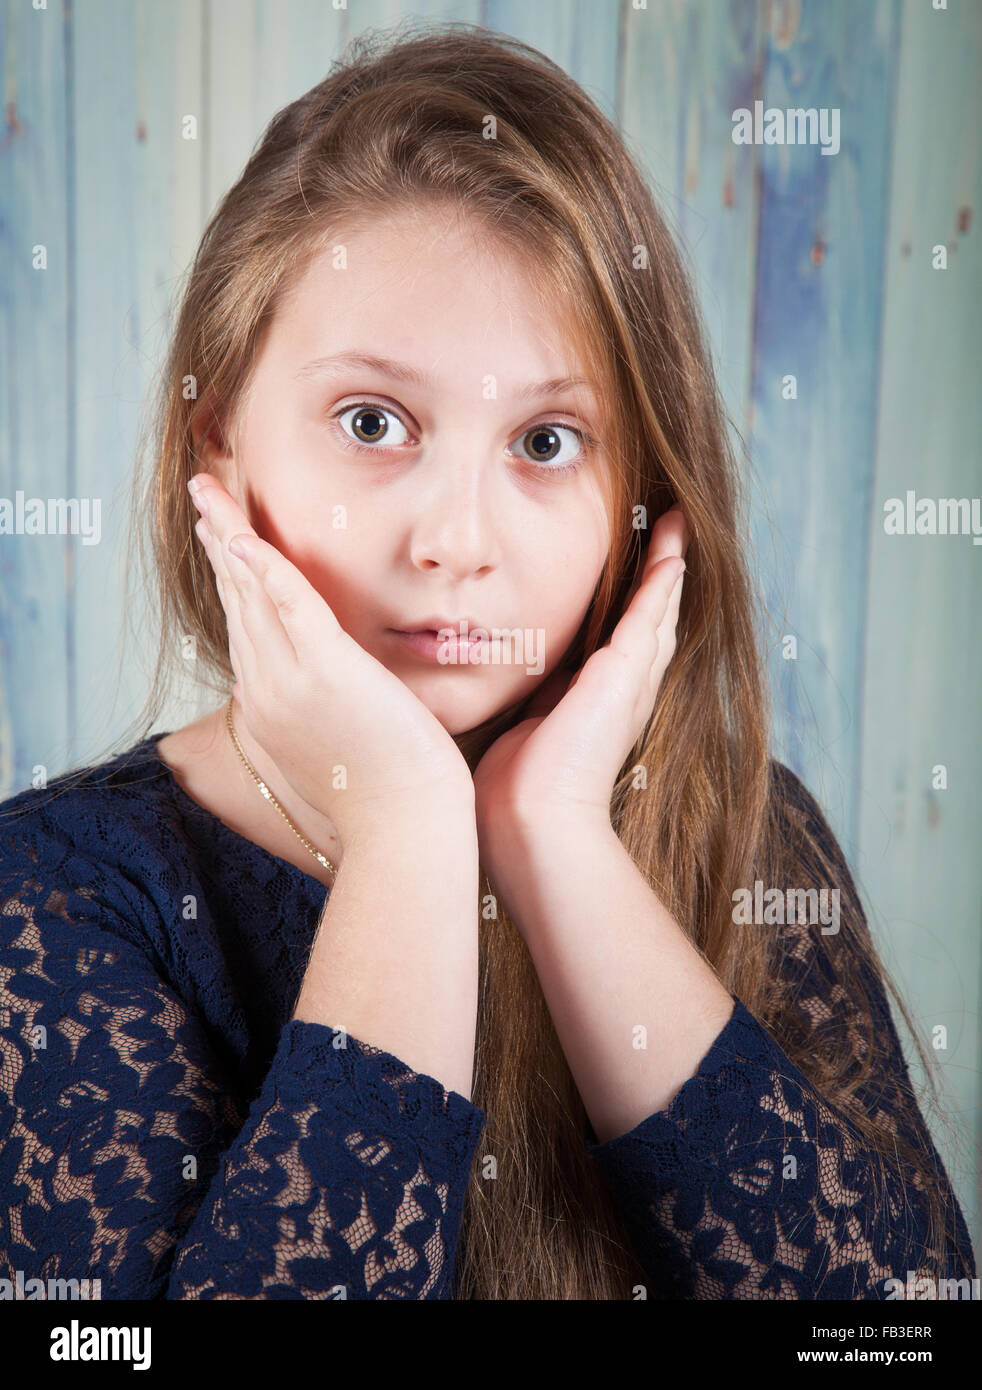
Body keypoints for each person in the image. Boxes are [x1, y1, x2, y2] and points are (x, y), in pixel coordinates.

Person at [0, 23, 975, 1302]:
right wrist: (407, 833)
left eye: (548, 441)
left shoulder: (746, 834)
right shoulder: (58, 895)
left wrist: (555, 833)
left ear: (644, 481)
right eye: (371, 422)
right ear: (222, 444)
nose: (456, 541)